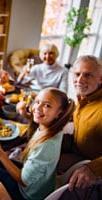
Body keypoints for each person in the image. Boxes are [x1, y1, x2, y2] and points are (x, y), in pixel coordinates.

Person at [0, 87, 75, 200]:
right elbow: (35, 121)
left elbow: (23, 181)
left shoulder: (47, 145)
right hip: (41, 184)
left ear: (59, 113)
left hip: (27, 194)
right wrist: (27, 113)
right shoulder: (53, 128)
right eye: (37, 102)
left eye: (47, 105)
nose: (37, 107)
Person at [57, 55, 102, 199]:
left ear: (100, 79)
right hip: (77, 150)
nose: (80, 79)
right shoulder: (84, 98)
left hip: (94, 165)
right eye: (77, 74)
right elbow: (76, 117)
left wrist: (94, 169)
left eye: (88, 75)